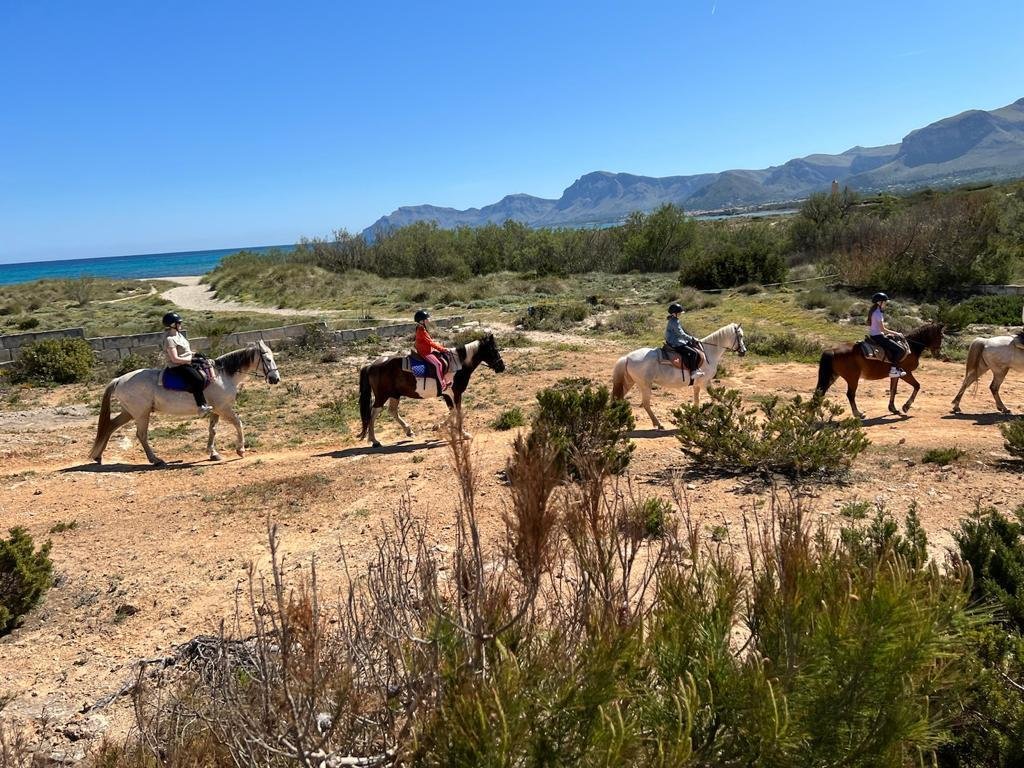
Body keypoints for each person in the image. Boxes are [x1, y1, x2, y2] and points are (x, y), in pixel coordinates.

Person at [161, 312, 213, 415]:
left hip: (188, 362)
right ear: (172, 325)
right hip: (178, 366)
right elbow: (175, 359)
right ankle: (201, 406)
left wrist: (196, 354)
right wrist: (192, 360)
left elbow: (186, 352)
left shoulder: (180, 335)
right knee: (198, 379)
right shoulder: (169, 340)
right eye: (178, 323)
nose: (181, 325)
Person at [867, 293, 907, 378]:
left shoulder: (873, 311)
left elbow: (876, 328)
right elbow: (883, 329)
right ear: (879, 302)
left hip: (874, 335)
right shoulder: (878, 313)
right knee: (901, 350)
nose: (886, 304)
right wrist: (897, 333)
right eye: (885, 302)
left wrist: (885, 333)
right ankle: (893, 370)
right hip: (878, 337)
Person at [413, 309, 452, 391]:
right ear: (421, 321)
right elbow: (430, 342)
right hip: (425, 353)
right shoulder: (421, 330)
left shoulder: (421, 328)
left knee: (440, 360)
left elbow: (429, 342)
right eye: (426, 319)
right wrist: (443, 349)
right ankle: (442, 385)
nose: (428, 320)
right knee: (438, 364)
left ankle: (443, 380)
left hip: (426, 350)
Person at [665, 302, 705, 379]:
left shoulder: (673, 320)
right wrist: (692, 339)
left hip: (675, 340)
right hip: (675, 342)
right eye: (679, 313)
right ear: (674, 313)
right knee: (693, 353)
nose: (680, 314)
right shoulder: (674, 322)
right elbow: (681, 334)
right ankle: (693, 372)